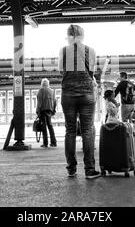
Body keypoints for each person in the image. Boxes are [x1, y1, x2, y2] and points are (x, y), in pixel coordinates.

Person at [58, 24, 100, 179]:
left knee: (70, 131)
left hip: (68, 93)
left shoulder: (63, 50)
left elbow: (61, 69)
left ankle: (71, 168)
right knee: (87, 131)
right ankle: (89, 170)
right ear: (82, 35)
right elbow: (92, 71)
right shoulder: (91, 50)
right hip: (87, 93)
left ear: (69, 35)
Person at [36, 78, 57, 148]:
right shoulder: (52, 91)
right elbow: (55, 101)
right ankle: (54, 142)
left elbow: (39, 102)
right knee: (50, 126)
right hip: (49, 111)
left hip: (43, 110)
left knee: (44, 127)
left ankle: (45, 143)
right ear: (48, 84)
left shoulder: (41, 91)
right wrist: (53, 110)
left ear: (42, 84)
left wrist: (38, 111)